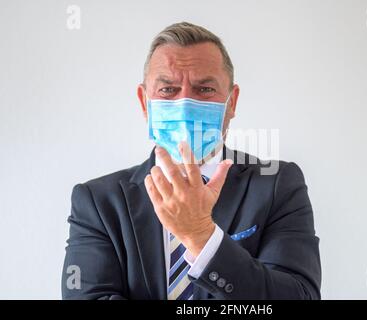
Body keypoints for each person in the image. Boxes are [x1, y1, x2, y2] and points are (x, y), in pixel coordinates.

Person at [61, 22, 321, 300]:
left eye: (205, 89)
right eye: (168, 90)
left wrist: (201, 236)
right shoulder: (98, 201)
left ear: (231, 103)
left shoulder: (277, 185)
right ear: (144, 102)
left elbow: (298, 296)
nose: (185, 103)